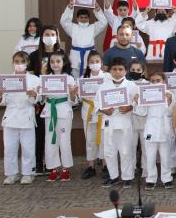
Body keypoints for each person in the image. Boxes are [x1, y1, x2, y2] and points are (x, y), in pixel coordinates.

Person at [0, 52, 40, 184]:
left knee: (28, 148)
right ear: (13, 63)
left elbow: (39, 98)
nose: (19, 64)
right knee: (10, 148)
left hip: (27, 116)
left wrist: (33, 95)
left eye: (22, 62)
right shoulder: (5, 79)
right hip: (11, 117)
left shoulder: (34, 79)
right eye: (16, 62)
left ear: (27, 63)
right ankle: (11, 174)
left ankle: (28, 173)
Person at [96, 57, 139, 188]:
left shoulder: (132, 86)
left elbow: (138, 102)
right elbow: (96, 102)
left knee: (126, 150)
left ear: (126, 71)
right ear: (110, 71)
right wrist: (103, 110)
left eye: (120, 69)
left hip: (124, 121)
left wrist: (130, 107)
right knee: (109, 151)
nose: (117, 72)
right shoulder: (103, 86)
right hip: (109, 121)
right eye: (114, 69)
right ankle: (113, 176)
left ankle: (127, 177)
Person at [28, 24, 62, 176]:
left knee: (53, 132)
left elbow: (66, 75)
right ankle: (38, 162)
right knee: (40, 132)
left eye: (52, 34)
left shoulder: (61, 54)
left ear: (57, 37)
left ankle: (51, 163)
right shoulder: (34, 55)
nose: (49, 37)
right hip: (40, 100)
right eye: (46, 34)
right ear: (41, 37)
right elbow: (29, 78)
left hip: (57, 99)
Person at [133, 72, 175, 190]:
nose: (155, 83)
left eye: (158, 80)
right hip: (150, 127)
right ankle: (151, 179)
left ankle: (167, 178)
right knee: (150, 156)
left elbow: (171, 112)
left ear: (164, 81)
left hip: (164, 127)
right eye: (153, 81)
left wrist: (169, 101)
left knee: (165, 156)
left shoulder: (169, 94)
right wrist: (137, 101)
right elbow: (142, 112)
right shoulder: (146, 94)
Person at [43, 51, 78, 182]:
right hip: (49, 110)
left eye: (58, 61)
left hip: (64, 110)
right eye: (52, 62)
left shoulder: (69, 78)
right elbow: (41, 99)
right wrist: (40, 92)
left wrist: (72, 93)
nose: (55, 64)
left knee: (64, 140)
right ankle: (53, 168)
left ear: (64, 63)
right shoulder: (45, 78)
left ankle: (65, 168)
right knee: (50, 140)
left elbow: (73, 100)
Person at [60, 0, 108, 76]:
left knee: (89, 76)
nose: (83, 19)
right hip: (76, 56)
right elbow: (63, 21)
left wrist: (98, 9)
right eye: (81, 17)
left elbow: (104, 22)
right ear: (77, 18)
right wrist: (69, 8)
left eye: (86, 17)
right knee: (75, 76)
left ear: (89, 18)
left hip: (89, 55)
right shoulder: (73, 27)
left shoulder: (93, 27)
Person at [80, 51, 108, 180]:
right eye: (91, 62)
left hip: (103, 112)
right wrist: (76, 93)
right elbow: (78, 99)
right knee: (90, 140)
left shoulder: (107, 77)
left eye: (97, 61)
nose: (94, 64)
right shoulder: (83, 78)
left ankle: (105, 166)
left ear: (101, 63)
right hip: (88, 110)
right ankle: (91, 166)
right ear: (87, 64)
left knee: (103, 140)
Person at [127, 60, 148, 179]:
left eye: (138, 70)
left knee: (146, 147)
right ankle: (131, 170)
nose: (135, 72)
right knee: (131, 146)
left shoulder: (148, 84)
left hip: (145, 121)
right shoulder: (126, 84)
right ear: (129, 71)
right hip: (131, 119)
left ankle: (146, 170)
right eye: (133, 70)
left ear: (143, 71)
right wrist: (132, 100)